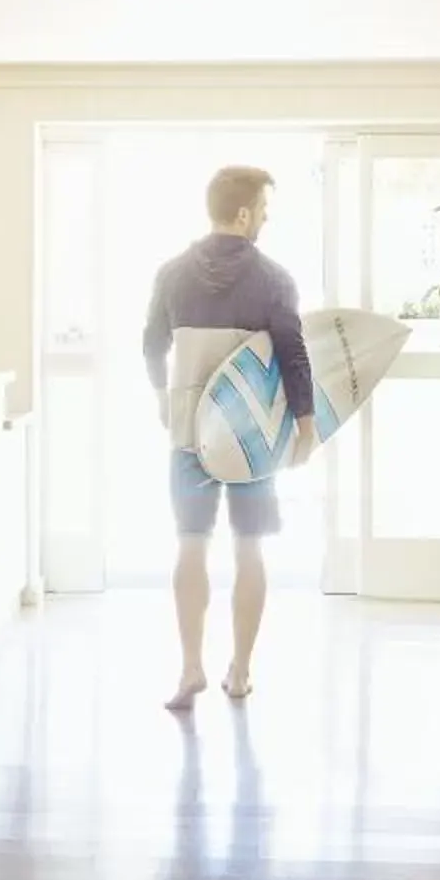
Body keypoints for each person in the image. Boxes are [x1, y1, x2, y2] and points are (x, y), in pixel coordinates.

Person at [143, 165, 313, 710]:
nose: (265, 218)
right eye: (263, 209)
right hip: (251, 440)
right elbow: (292, 353)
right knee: (249, 548)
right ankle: (239, 670)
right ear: (243, 213)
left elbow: (150, 344)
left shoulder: (171, 274)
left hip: (190, 431)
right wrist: (306, 423)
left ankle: (191, 668)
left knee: (190, 545)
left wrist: (162, 397)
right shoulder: (274, 280)